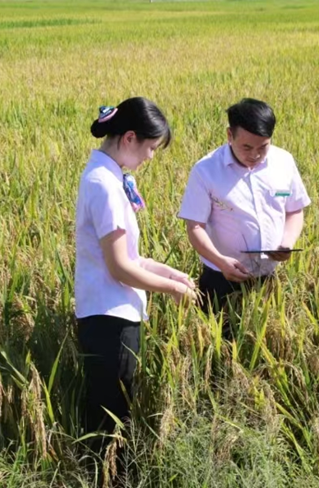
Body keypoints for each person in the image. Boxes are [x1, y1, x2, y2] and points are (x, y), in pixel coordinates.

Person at [75, 97, 196, 453]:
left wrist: (171, 272)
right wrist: (171, 289)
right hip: (110, 320)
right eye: (151, 148)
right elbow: (120, 268)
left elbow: (129, 257)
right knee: (111, 420)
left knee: (112, 411)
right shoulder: (104, 185)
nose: (151, 158)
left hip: (112, 315)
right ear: (129, 138)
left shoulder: (107, 177)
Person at [178, 98, 310, 333]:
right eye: (246, 147)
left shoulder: (284, 162)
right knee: (220, 341)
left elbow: (295, 210)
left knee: (266, 339)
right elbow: (194, 226)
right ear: (230, 135)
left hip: (268, 274)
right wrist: (220, 262)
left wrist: (287, 243)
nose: (255, 155)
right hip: (222, 277)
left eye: (263, 147)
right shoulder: (206, 170)